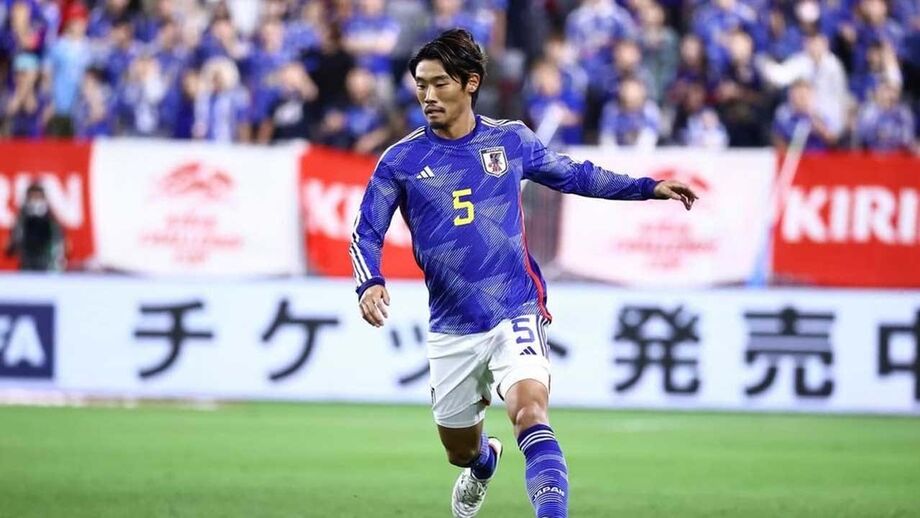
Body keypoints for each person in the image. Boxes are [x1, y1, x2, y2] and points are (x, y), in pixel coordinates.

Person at [349, 29, 698, 518]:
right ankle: (483, 462)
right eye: (421, 85)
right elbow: (366, 230)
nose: (428, 95)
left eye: (440, 83)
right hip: (452, 326)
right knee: (459, 451)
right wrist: (370, 281)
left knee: (530, 412)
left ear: (470, 83)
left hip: (515, 306)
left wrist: (647, 187)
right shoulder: (401, 161)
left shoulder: (509, 140)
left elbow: (575, 174)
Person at [5, 183, 65, 271]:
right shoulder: (22, 219)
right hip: (27, 264)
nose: (35, 200)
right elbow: (13, 243)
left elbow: (59, 241)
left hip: (47, 264)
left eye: (38, 196)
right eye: (33, 197)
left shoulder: (51, 219)